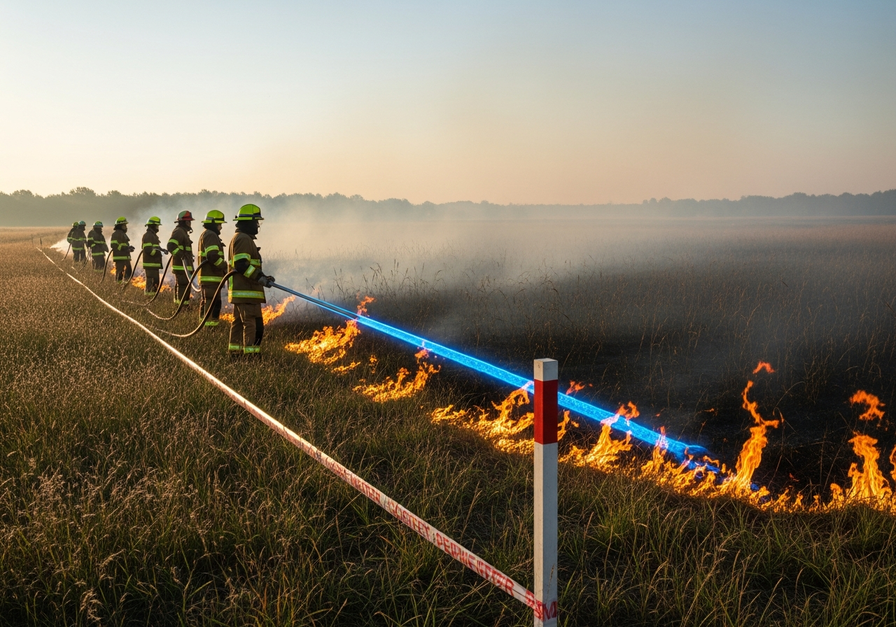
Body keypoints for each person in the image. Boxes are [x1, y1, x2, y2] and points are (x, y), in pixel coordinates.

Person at [227, 204, 275, 355]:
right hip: (247, 292)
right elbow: (241, 265)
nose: (257, 225)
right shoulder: (243, 239)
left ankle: (235, 355)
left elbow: (246, 265)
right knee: (253, 325)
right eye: (256, 222)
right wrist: (260, 278)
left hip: (243, 292)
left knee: (238, 324)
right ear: (248, 222)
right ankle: (252, 357)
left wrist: (263, 276)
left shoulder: (240, 238)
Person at [197, 210, 227, 327]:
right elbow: (212, 256)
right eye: (220, 224)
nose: (221, 228)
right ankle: (209, 330)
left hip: (209, 278)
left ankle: (205, 328)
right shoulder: (210, 235)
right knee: (211, 304)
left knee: (209, 303)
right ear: (214, 224)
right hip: (211, 278)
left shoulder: (206, 234)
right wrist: (224, 266)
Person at [167, 211, 195, 306]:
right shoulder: (179, 231)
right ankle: (182, 308)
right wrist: (182, 256)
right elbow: (171, 246)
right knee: (183, 286)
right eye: (189, 221)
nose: (190, 224)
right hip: (181, 266)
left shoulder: (182, 232)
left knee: (183, 286)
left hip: (183, 266)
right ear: (186, 222)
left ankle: (180, 307)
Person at [142, 216, 166, 295]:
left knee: (155, 282)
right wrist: (158, 253)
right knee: (151, 283)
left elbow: (155, 247)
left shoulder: (152, 235)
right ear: (153, 226)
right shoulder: (148, 235)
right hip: (150, 263)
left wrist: (162, 250)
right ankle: (149, 299)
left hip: (154, 264)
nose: (157, 228)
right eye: (157, 226)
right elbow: (148, 249)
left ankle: (152, 297)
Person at [109, 217, 134, 283]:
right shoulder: (115, 234)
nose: (126, 227)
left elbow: (123, 245)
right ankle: (118, 286)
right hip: (120, 257)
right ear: (120, 226)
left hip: (125, 257)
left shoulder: (123, 234)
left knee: (128, 272)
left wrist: (129, 248)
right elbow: (114, 245)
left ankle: (125, 285)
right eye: (124, 225)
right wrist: (125, 248)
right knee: (120, 273)